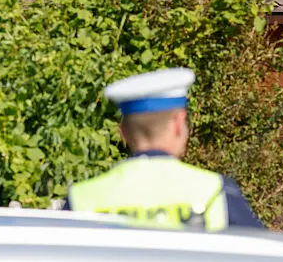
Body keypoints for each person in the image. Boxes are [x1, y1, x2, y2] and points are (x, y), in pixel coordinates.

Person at [65, 68, 264, 231]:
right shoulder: (214, 191)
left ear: (123, 132)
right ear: (178, 123)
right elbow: (263, 252)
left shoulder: (82, 197)